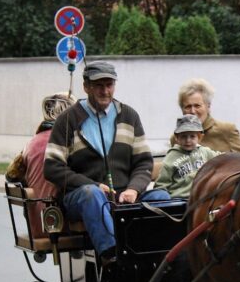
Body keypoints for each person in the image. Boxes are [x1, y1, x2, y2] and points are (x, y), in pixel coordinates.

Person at [44, 61, 170, 262]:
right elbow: (52, 168)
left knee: (162, 197)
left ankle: (159, 257)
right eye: (99, 85)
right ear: (86, 87)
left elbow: (143, 163)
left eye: (109, 84)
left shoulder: (129, 116)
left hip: (124, 196)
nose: (105, 91)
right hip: (83, 197)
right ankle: (113, 256)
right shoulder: (67, 120)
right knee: (92, 194)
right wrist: (93, 185)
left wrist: (134, 189)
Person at [6, 92, 75, 239]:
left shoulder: (32, 142)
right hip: (62, 226)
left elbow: (11, 176)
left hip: (37, 225)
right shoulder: (66, 140)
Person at [154, 114, 221, 198]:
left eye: (192, 136)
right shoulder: (171, 157)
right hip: (179, 200)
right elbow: (161, 185)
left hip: (202, 197)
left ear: (199, 137)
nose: (188, 140)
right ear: (177, 137)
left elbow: (222, 159)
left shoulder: (205, 152)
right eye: (183, 136)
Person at [178, 78, 240, 153]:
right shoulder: (177, 137)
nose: (193, 111)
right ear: (182, 109)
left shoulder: (226, 130)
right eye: (188, 107)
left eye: (197, 106)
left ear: (208, 106)